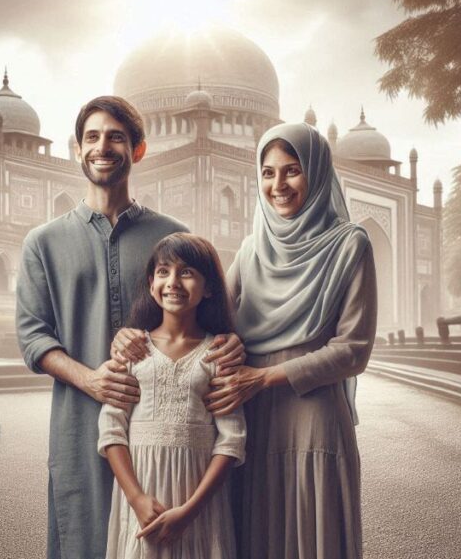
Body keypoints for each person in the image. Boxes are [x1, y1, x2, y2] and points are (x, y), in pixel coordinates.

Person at [112, 122, 376, 558]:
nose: (279, 185)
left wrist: (262, 378)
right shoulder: (253, 250)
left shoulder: (349, 245)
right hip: (250, 417)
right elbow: (205, 315)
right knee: (255, 536)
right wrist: (131, 334)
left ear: (317, 171)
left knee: (312, 536)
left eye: (292, 170)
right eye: (268, 173)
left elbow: (353, 349)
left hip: (311, 416)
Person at [16, 95, 245, 558]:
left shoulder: (172, 237)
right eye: (93, 137)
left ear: (137, 150)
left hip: (168, 440)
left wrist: (230, 344)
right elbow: (33, 336)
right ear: (75, 150)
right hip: (81, 425)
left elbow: (211, 311)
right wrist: (92, 380)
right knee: (84, 539)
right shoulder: (43, 243)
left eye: (116, 137)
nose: (103, 147)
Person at [98, 233, 246, 559]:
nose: (173, 282)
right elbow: (111, 429)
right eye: (163, 272)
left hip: (198, 503)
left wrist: (191, 511)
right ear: (151, 283)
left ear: (208, 288)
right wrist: (136, 498)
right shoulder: (133, 350)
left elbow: (231, 440)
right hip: (140, 496)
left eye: (187, 272)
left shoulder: (219, 355)